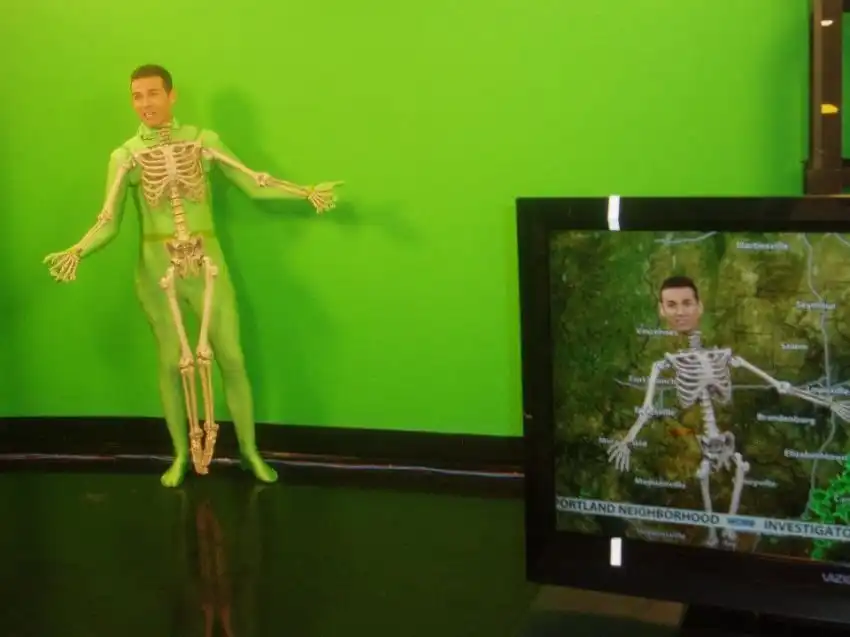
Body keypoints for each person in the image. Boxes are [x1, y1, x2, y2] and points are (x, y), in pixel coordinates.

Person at [43, 64, 342, 487]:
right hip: (156, 269)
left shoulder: (203, 142)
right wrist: (77, 251)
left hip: (207, 263)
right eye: (137, 96)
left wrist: (306, 193)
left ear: (171, 95)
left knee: (232, 357)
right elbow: (108, 221)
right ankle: (181, 455)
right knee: (170, 363)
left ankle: (249, 452)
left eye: (152, 93)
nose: (145, 103)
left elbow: (253, 182)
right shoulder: (126, 156)